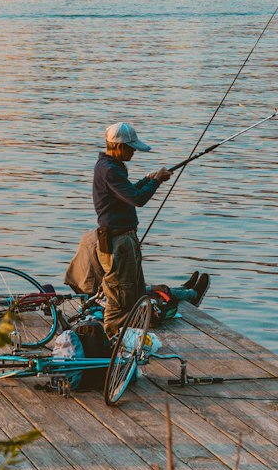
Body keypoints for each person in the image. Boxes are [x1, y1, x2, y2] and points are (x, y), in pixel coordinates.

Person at [65, 121, 209, 340]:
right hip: (117, 243)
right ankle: (111, 340)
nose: (133, 151)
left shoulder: (110, 167)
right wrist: (157, 182)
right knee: (120, 297)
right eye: (131, 147)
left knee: (136, 291)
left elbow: (128, 192)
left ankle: (186, 294)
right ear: (118, 146)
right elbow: (137, 199)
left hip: (124, 239)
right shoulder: (109, 170)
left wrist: (148, 179)